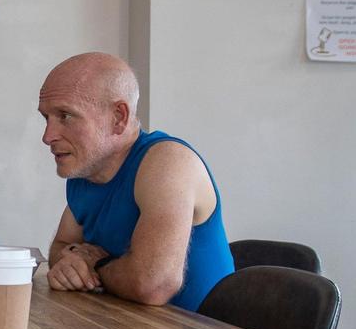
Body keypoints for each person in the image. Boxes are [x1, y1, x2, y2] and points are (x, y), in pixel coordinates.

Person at [40, 52, 234, 311]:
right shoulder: (86, 172)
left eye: (65, 116)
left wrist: (95, 265)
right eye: (46, 118)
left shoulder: (168, 161)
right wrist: (73, 261)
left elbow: (153, 284)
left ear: (118, 117)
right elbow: (62, 248)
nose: (47, 136)